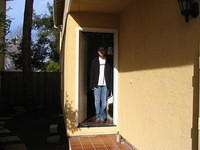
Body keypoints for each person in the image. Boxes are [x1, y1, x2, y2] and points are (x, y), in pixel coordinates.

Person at [90, 46, 112, 123]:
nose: (102, 52)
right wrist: (91, 85)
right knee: (96, 101)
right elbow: (92, 74)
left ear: (105, 52)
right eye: (100, 51)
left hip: (106, 85)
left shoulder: (108, 61)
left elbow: (110, 74)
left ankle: (101, 116)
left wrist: (110, 86)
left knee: (104, 102)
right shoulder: (94, 61)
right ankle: (99, 115)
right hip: (97, 84)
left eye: (103, 51)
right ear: (98, 52)